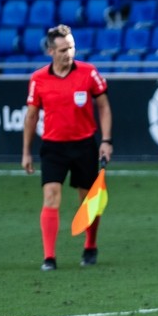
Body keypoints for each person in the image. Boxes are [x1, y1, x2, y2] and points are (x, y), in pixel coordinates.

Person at [22, 24, 113, 271]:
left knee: (88, 201)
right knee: (51, 196)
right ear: (50, 51)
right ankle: (49, 257)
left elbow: (104, 106)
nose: (68, 53)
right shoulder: (38, 79)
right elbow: (31, 117)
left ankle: (90, 245)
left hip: (85, 145)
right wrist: (26, 152)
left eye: (71, 47)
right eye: (62, 49)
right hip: (53, 147)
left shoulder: (89, 72)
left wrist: (105, 141)